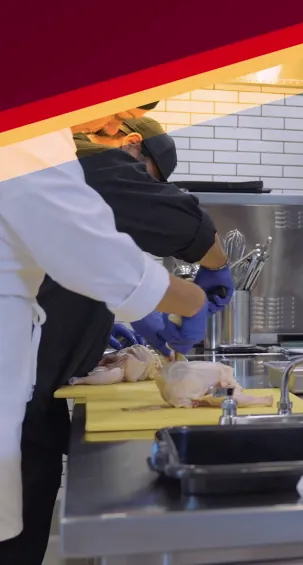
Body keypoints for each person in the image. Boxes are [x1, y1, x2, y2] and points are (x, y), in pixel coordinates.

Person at [0, 116, 231, 564]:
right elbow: (98, 255)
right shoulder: (40, 142)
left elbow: (51, 262)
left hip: (30, 386)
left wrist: (103, 322)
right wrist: (192, 296)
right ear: (129, 145)